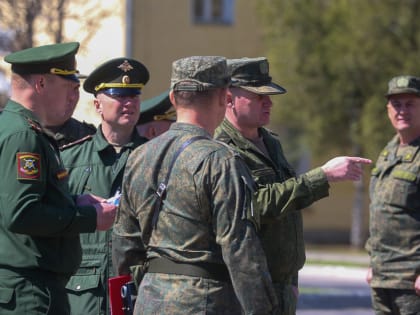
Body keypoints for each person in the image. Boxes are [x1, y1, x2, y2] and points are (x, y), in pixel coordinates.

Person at [112, 56, 279, 314]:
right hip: (205, 301)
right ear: (224, 97)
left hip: (149, 299)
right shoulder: (220, 160)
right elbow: (240, 250)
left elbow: (124, 244)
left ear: (172, 97)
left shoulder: (139, 157)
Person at [214, 57, 372, 315]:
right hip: (246, 289)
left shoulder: (270, 142)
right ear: (229, 99)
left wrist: (290, 281)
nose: (269, 103)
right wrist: (322, 176)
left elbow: (286, 211)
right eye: (259, 97)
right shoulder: (221, 148)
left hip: (281, 285)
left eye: (269, 96)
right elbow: (254, 204)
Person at [0, 42, 116, 315]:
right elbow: (21, 213)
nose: (74, 97)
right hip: (30, 293)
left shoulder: (14, 127)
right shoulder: (23, 135)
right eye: (68, 87)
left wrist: (74, 202)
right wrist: (89, 218)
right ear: (41, 84)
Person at [60, 57, 150, 315]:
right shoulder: (69, 160)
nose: (129, 102)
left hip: (141, 289)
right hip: (82, 295)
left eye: (134, 95)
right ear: (98, 104)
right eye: (119, 95)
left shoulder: (155, 157)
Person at [365, 75, 420, 315]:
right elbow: (381, 211)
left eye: (409, 104)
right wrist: (374, 264)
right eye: (396, 104)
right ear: (388, 109)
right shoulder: (388, 153)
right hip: (383, 276)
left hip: (412, 281)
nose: (402, 111)